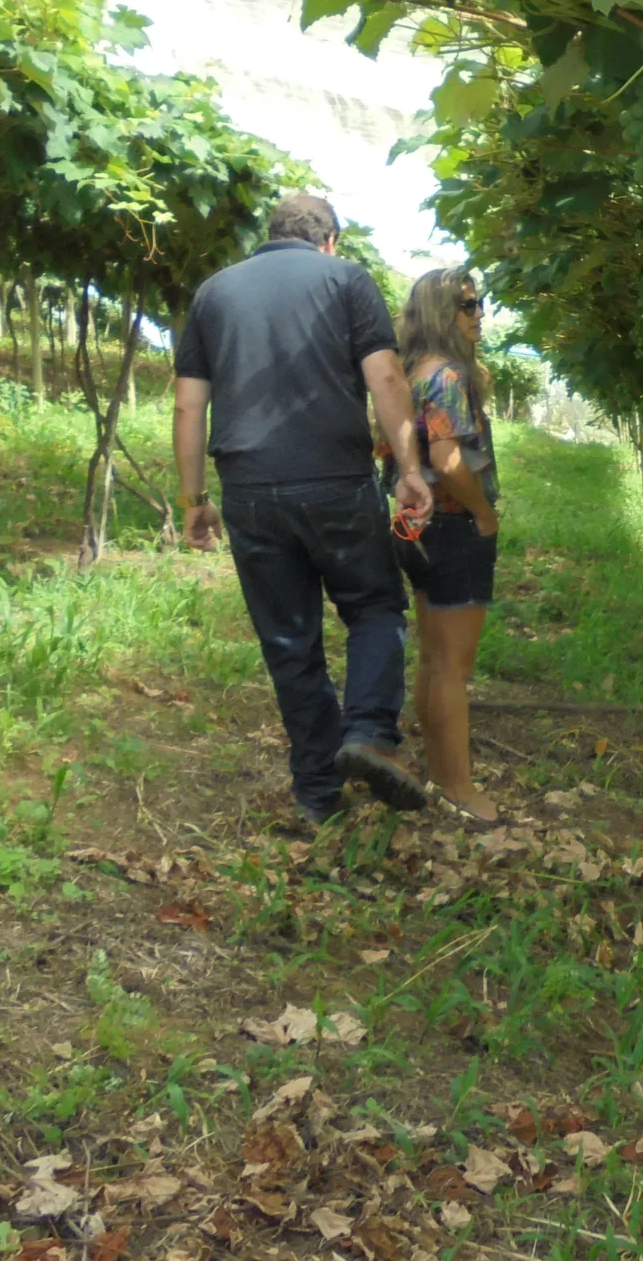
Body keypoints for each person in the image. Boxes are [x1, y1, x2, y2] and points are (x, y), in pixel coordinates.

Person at [173, 193, 435, 824]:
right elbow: (389, 380)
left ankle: (318, 797)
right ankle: (369, 733)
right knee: (374, 606)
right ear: (330, 241)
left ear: (271, 235)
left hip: (250, 492)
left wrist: (194, 501)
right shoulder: (345, 279)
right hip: (335, 481)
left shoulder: (213, 293)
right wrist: (409, 470)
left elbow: (187, 405)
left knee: (289, 642)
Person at [387, 269, 501, 819]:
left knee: (433, 660)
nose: (479, 315)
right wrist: (484, 513)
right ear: (443, 314)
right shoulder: (449, 378)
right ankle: (461, 790)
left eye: (479, 304)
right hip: (454, 526)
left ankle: (439, 776)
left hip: (416, 528)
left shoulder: (406, 375)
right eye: (469, 306)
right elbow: (447, 460)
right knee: (453, 668)